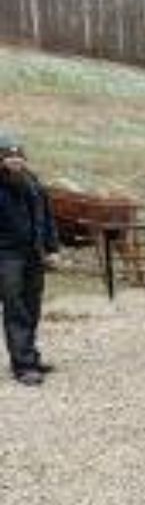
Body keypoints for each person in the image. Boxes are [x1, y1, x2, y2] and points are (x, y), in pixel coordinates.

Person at [0, 132, 59, 386]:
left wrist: (52, 248)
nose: (15, 161)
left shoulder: (33, 183)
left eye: (18, 156)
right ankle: (23, 366)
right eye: (9, 156)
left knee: (32, 306)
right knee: (16, 309)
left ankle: (30, 356)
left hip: (33, 254)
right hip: (7, 256)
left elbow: (47, 217)